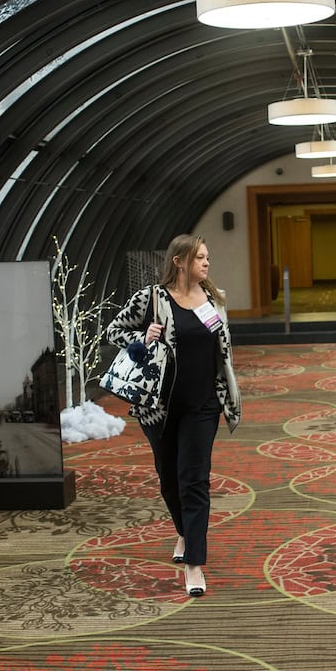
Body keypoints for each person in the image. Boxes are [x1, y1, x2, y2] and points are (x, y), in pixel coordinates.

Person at [105, 235, 241, 597]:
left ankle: (194, 564)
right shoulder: (151, 298)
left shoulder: (214, 300)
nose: (207, 263)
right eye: (200, 258)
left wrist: (228, 395)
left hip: (203, 405)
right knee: (169, 479)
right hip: (159, 406)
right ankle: (184, 532)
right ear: (179, 261)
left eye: (207, 257)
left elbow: (223, 351)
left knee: (194, 480)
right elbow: (113, 330)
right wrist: (142, 338)